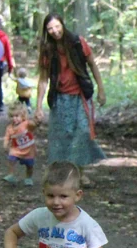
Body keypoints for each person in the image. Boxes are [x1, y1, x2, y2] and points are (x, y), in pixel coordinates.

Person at [33, 14, 106, 169]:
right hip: (60, 98)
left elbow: (92, 65)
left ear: (63, 25)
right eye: (50, 28)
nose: (54, 31)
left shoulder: (77, 42)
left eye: (57, 26)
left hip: (80, 95)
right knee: (63, 136)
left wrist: (101, 89)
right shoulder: (47, 49)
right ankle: (68, 173)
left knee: (83, 132)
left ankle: (80, 171)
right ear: (46, 31)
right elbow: (43, 78)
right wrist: (38, 106)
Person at [3, 102, 38, 185]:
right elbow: (7, 137)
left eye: (17, 116)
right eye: (12, 116)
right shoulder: (9, 128)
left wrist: (35, 121)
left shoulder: (26, 124)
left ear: (22, 116)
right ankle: (11, 174)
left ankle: (28, 177)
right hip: (16, 149)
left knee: (29, 165)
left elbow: (33, 125)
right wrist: (5, 144)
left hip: (28, 150)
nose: (14, 118)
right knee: (11, 158)